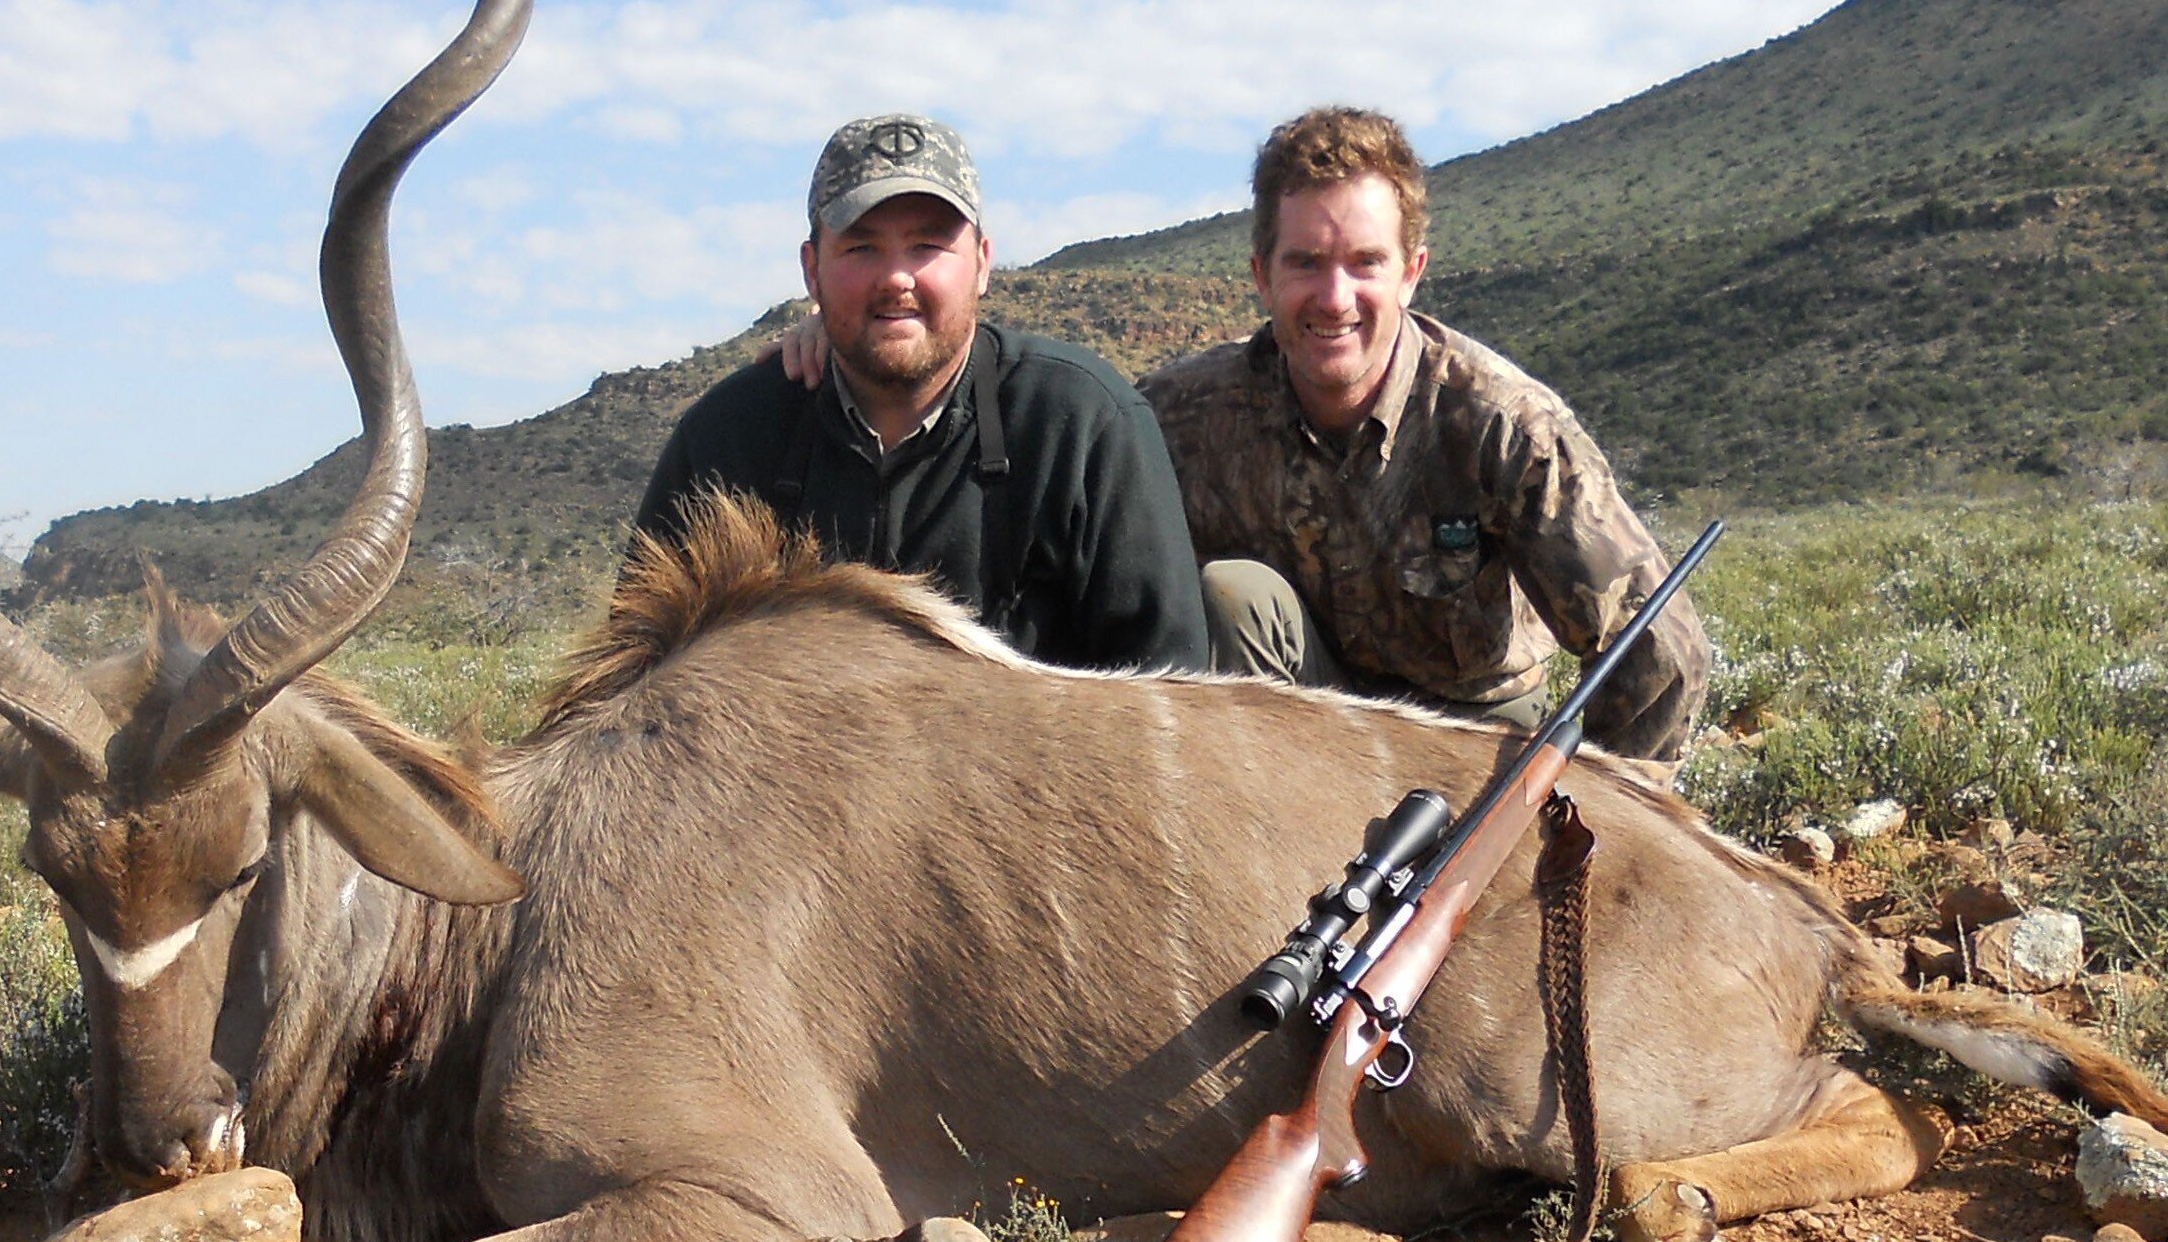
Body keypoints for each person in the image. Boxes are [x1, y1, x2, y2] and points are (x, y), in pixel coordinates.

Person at [1137, 106, 1710, 761]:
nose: (1335, 297)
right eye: (1306, 264)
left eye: (1365, 263)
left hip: (1470, 740)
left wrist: (1580, 821)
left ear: (1411, 272)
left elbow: (1664, 655)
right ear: (1261, 275)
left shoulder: (1505, 427)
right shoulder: (1177, 417)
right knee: (1232, 598)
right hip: (1297, 742)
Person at [634, 112, 1211, 675]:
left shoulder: (1085, 425)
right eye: (862, 248)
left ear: (982, 264)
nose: (896, 278)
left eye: (927, 246)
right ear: (812, 271)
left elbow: (1169, 688)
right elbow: (636, 687)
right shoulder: (725, 440)